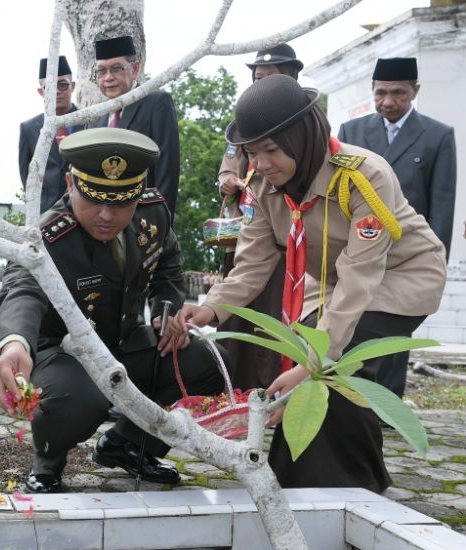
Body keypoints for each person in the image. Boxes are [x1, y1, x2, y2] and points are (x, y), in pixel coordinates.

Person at [174, 75, 447, 493]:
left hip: (400, 277)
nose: (261, 164)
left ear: (303, 137)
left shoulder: (362, 177)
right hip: (335, 281)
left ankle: (315, 484)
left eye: (271, 150)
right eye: (252, 153)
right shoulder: (266, 187)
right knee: (324, 364)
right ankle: (361, 478)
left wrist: (312, 362)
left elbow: (361, 278)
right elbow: (253, 262)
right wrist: (211, 308)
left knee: (331, 367)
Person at [0, 128, 226, 494]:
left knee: (207, 361)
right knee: (82, 399)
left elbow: (168, 268)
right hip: (63, 353)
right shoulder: (48, 236)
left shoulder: (152, 214)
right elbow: (22, 289)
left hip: (125, 342)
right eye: (94, 199)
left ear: (138, 191)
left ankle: (131, 445)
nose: (106, 215)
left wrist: (166, 314)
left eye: (120, 203)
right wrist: (14, 343)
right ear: (70, 183)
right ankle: (48, 461)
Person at [338, 57, 457, 397]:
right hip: (361, 248)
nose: (388, 101)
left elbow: (442, 205)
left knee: (393, 335)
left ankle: (386, 403)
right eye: (381, 93)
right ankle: (353, 398)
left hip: (407, 257)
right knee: (354, 325)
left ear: (415, 91)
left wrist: (436, 263)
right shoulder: (352, 133)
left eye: (399, 93)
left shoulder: (437, 136)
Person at [214, 43, 304, 391]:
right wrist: (228, 181)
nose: (259, 84)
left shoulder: (300, 125)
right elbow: (227, 166)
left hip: (282, 241)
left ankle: (268, 385)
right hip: (243, 230)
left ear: (291, 80)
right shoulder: (241, 124)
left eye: (269, 78)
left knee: (270, 313)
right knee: (235, 310)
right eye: (256, 77)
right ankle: (228, 383)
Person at [91, 35, 180, 219]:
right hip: (102, 223)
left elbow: (167, 170)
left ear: (135, 69)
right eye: (101, 71)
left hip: (142, 221)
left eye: (116, 69)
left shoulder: (155, 103)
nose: (108, 78)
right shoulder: (94, 117)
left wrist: (159, 224)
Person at [18, 56, 84, 212]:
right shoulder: (28, 128)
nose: (57, 92)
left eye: (62, 85)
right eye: (50, 87)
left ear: (73, 86)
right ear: (41, 91)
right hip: (46, 210)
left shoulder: (89, 122)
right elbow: (26, 176)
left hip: (84, 207)